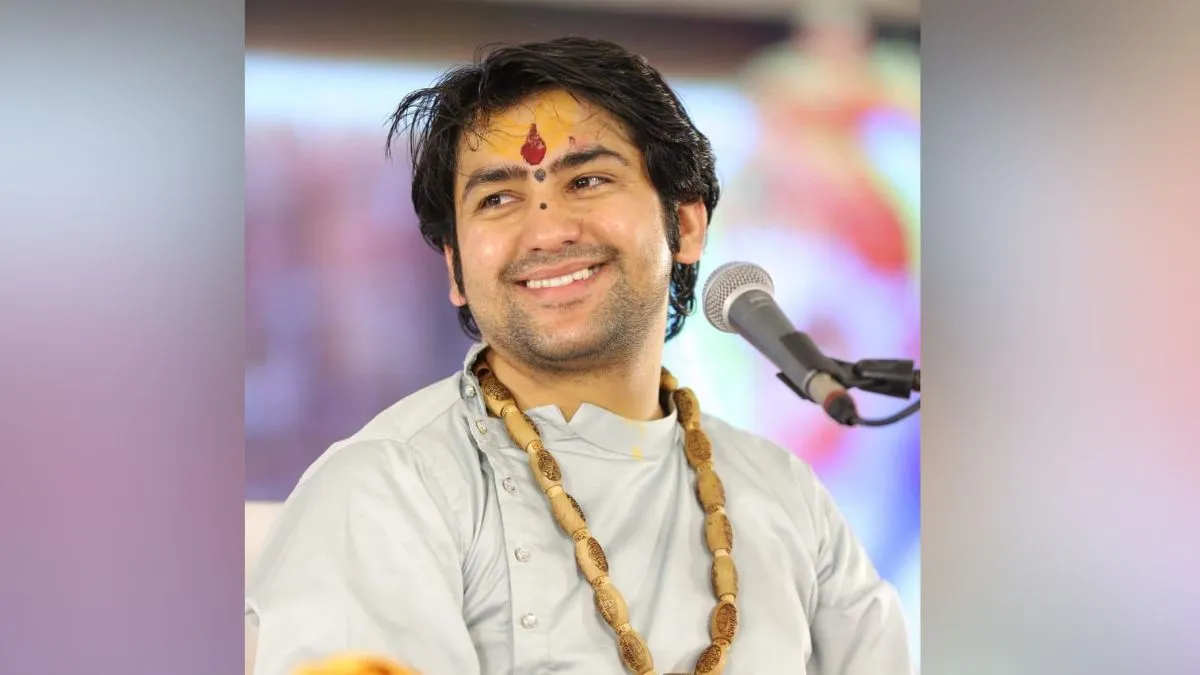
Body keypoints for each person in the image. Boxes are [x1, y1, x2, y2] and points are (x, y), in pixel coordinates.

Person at [245, 37, 913, 675]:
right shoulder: (386, 490)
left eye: (588, 180)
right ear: (456, 269)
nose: (547, 230)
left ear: (685, 224)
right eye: (498, 198)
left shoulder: (785, 496)